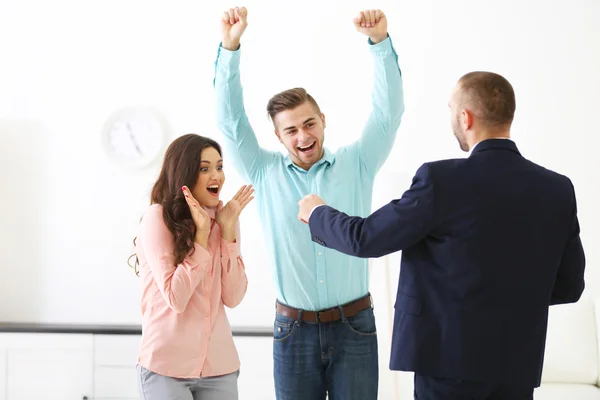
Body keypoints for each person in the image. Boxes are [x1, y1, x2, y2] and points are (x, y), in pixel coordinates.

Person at [298, 71, 586, 400]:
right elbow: (570, 285)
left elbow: (367, 238)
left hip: (447, 363)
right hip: (516, 367)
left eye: (451, 109)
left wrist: (317, 213)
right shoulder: (556, 189)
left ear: (466, 117)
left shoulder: (441, 181)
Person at [213, 6, 404, 400]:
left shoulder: (357, 163)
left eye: (309, 123)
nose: (303, 136)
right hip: (293, 330)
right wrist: (229, 49)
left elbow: (388, 115)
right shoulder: (264, 172)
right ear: (279, 137)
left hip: (355, 325)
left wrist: (380, 43)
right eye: (291, 130)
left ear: (322, 119)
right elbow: (231, 122)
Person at [132, 134, 254, 400]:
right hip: (166, 367)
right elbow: (176, 298)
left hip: (219, 367)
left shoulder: (225, 219)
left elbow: (233, 297)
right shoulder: (157, 218)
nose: (217, 176)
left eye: (219, 167)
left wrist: (228, 230)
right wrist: (201, 235)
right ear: (185, 174)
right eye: (205, 168)